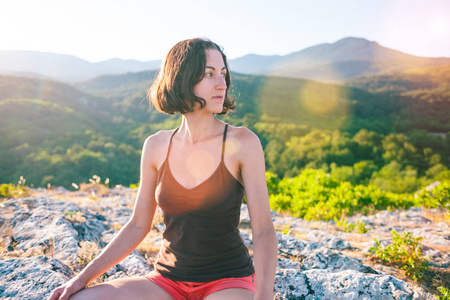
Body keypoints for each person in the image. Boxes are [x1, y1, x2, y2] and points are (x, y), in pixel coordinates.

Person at [48, 38, 277, 300]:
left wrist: (263, 296)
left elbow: (263, 231)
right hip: (167, 281)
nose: (221, 84)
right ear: (182, 79)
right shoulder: (156, 145)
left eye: (223, 74)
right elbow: (137, 225)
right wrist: (80, 280)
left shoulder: (242, 142)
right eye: (209, 74)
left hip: (227, 282)